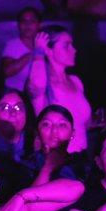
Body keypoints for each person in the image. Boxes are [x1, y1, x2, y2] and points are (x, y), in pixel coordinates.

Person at [25, 25, 94, 154]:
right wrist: (39, 51)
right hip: (56, 161)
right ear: (49, 51)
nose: (73, 50)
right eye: (66, 45)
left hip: (81, 159)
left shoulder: (75, 81)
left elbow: (83, 124)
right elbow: (36, 84)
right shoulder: (44, 85)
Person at [1, 6, 41, 94]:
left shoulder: (47, 45)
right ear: (18, 25)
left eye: (32, 21)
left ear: (39, 25)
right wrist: (33, 53)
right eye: (24, 21)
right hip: (15, 93)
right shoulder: (12, 45)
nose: (27, 25)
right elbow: (7, 72)